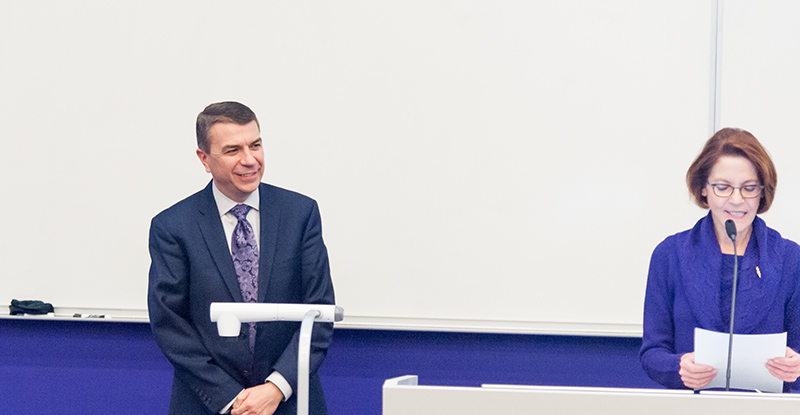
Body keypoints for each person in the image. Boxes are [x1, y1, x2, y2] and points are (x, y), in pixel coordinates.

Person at [148, 101, 335, 414]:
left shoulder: (300, 214)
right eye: (233, 150)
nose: (250, 160)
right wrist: (232, 399)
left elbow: (320, 310)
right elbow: (170, 324)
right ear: (204, 159)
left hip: (290, 402)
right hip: (208, 403)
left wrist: (276, 388)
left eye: (256, 145)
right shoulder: (173, 227)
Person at [640, 128, 800, 392]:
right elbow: (652, 354)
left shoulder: (790, 259)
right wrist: (678, 366)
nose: (737, 200)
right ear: (704, 188)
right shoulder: (670, 255)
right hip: (691, 407)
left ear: (762, 192)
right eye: (723, 187)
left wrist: (796, 367)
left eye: (749, 188)